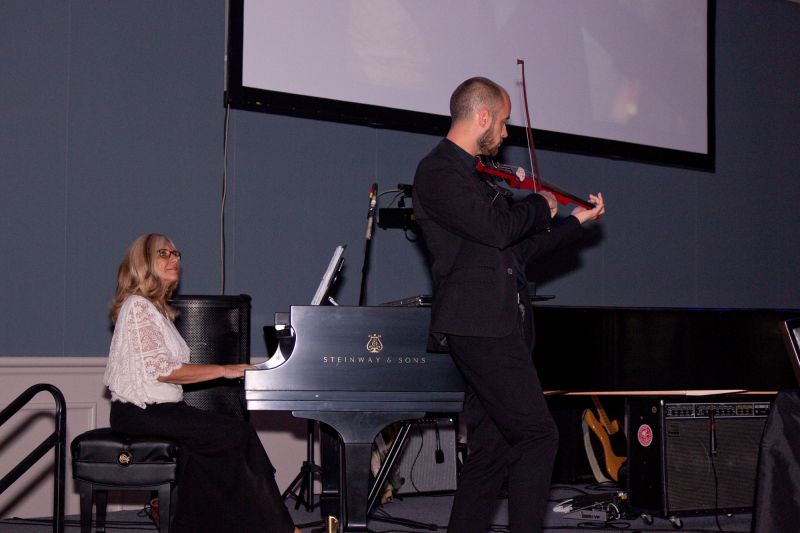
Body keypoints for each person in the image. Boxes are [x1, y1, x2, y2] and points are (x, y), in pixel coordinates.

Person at [412, 77, 605, 533]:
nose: (505, 134)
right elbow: (500, 229)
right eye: (502, 122)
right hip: (480, 327)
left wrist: (574, 223)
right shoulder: (439, 172)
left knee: (492, 450)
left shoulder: (471, 180)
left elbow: (515, 253)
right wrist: (540, 203)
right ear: (482, 117)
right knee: (539, 436)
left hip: (493, 324)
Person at [103, 233, 301, 533]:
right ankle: (283, 529)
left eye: (176, 253)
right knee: (236, 433)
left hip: (161, 410)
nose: (174, 259)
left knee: (209, 450)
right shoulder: (138, 306)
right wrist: (224, 369)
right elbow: (163, 370)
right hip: (141, 412)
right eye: (164, 253)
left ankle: (191, 524)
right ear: (144, 263)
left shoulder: (155, 310)